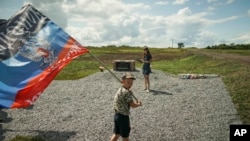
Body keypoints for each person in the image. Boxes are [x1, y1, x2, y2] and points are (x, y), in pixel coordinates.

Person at [110, 72, 142, 141]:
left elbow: (125, 97)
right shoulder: (126, 93)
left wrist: (130, 92)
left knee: (116, 134)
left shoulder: (121, 89)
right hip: (123, 117)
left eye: (131, 83)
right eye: (128, 82)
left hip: (117, 115)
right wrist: (139, 104)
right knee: (125, 137)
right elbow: (133, 105)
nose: (130, 84)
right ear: (122, 81)